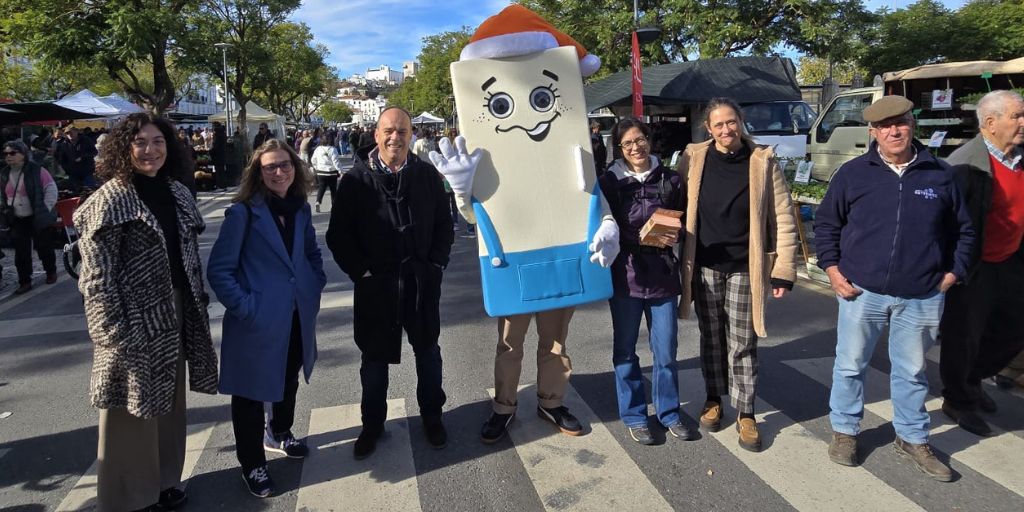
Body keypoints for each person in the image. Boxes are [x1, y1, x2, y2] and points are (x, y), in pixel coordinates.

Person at [814, 96, 974, 481]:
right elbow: (826, 225)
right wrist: (833, 271)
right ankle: (845, 430)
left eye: (900, 122)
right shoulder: (854, 173)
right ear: (873, 132)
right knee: (850, 365)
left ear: (912, 125)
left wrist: (953, 274)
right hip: (862, 291)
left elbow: (964, 231)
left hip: (922, 294)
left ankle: (912, 437)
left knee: (913, 371)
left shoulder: (940, 174)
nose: (894, 131)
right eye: (885, 126)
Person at [73, 113, 219, 511]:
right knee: (128, 411)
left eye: (158, 141)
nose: (150, 150)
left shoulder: (177, 192)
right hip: (130, 317)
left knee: (169, 403)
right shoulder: (110, 199)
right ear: (124, 148)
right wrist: (111, 331)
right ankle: (128, 497)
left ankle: (165, 480)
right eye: (140, 142)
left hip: (175, 307)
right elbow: (96, 278)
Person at [325, 107, 454, 460]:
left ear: (411, 134)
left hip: (421, 283)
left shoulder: (427, 175)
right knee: (374, 361)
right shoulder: (354, 180)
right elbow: (339, 235)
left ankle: (432, 416)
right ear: (376, 133)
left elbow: (445, 223)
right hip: (376, 288)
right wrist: (361, 271)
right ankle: (372, 425)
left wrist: (436, 265)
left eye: (401, 130)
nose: (394, 137)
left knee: (428, 353)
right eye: (388, 130)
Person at [677, 97, 798, 452]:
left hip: (746, 266)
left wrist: (783, 271)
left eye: (731, 122)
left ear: (740, 122)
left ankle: (746, 411)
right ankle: (714, 397)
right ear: (708, 129)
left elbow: (784, 217)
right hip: (704, 264)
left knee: (743, 342)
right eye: (719, 124)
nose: (726, 130)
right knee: (711, 337)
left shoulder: (762, 160)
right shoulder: (694, 158)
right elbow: (677, 201)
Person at [207, 139, 325, 498]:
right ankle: (252, 463)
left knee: (288, 378)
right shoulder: (243, 213)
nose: (279, 172)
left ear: (296, 168)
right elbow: (219, 271)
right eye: (270, 167)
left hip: (294, 313)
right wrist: (247, 308)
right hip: (256, 320)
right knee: (249, 394)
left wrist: (313, 284)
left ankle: (280, 431)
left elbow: (310, 253)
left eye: (285, 165)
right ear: (258, 173)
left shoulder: (300, 209)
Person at [599, 119, 691, 444]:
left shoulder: (671, 180)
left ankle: (669, 413)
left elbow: (683, 220)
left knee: (665, 350)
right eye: (628, 144)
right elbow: (599, 218)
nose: (635, 147)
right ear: (619, 149)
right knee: (625, 350)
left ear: (648, 141)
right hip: (626, 275)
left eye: (640, 140)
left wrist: (673, 231)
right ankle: (635, 416)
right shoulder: (609, 182)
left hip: (663, 275)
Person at [938, 90, 1024, 437]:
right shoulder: (964, 164)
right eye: (1016, 116)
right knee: (964, 335)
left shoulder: (1020, 158)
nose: (1022, 122)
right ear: (990, 123)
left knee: (1015, 328)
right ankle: (957, 399)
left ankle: (973, 379)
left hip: (1013, 259)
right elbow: (945, 222)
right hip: (974, 266)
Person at [1, 141, 58, 295]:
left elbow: (51, 189)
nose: (9, 156)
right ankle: (25, 281)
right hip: (17, 218)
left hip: (37, 214)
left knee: (44, 246)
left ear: (23, 154)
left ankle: (50, 271)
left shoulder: (36, 170)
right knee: (21, 252)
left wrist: (45, 208)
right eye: (6, 154)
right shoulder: (5, 173)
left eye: (13, 153)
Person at [310, 132, 344, 213]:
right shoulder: (333, 149)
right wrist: (341, 171)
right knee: (333, 190)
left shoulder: (318, 149)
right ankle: (333, 205)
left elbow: (313, 159)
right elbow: (336, 162)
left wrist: (316, 167)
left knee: (321, 188)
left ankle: (318, 202)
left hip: (321, 171)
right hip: (331, 172)